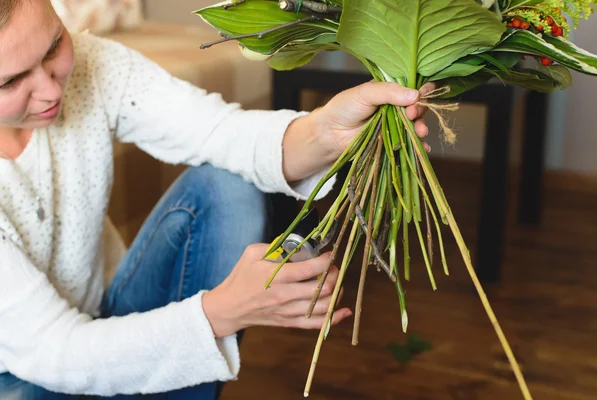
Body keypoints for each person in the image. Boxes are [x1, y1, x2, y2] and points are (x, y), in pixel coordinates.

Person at [0, 0, 433, 399]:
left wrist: (327, 133)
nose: (51, 90)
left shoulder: (93, 66)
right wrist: (222, 312)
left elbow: (221, 134)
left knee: (228, 186)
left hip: (102, 315)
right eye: (11, 81)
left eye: (54, 44)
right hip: (24, 370)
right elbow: (54, 351)